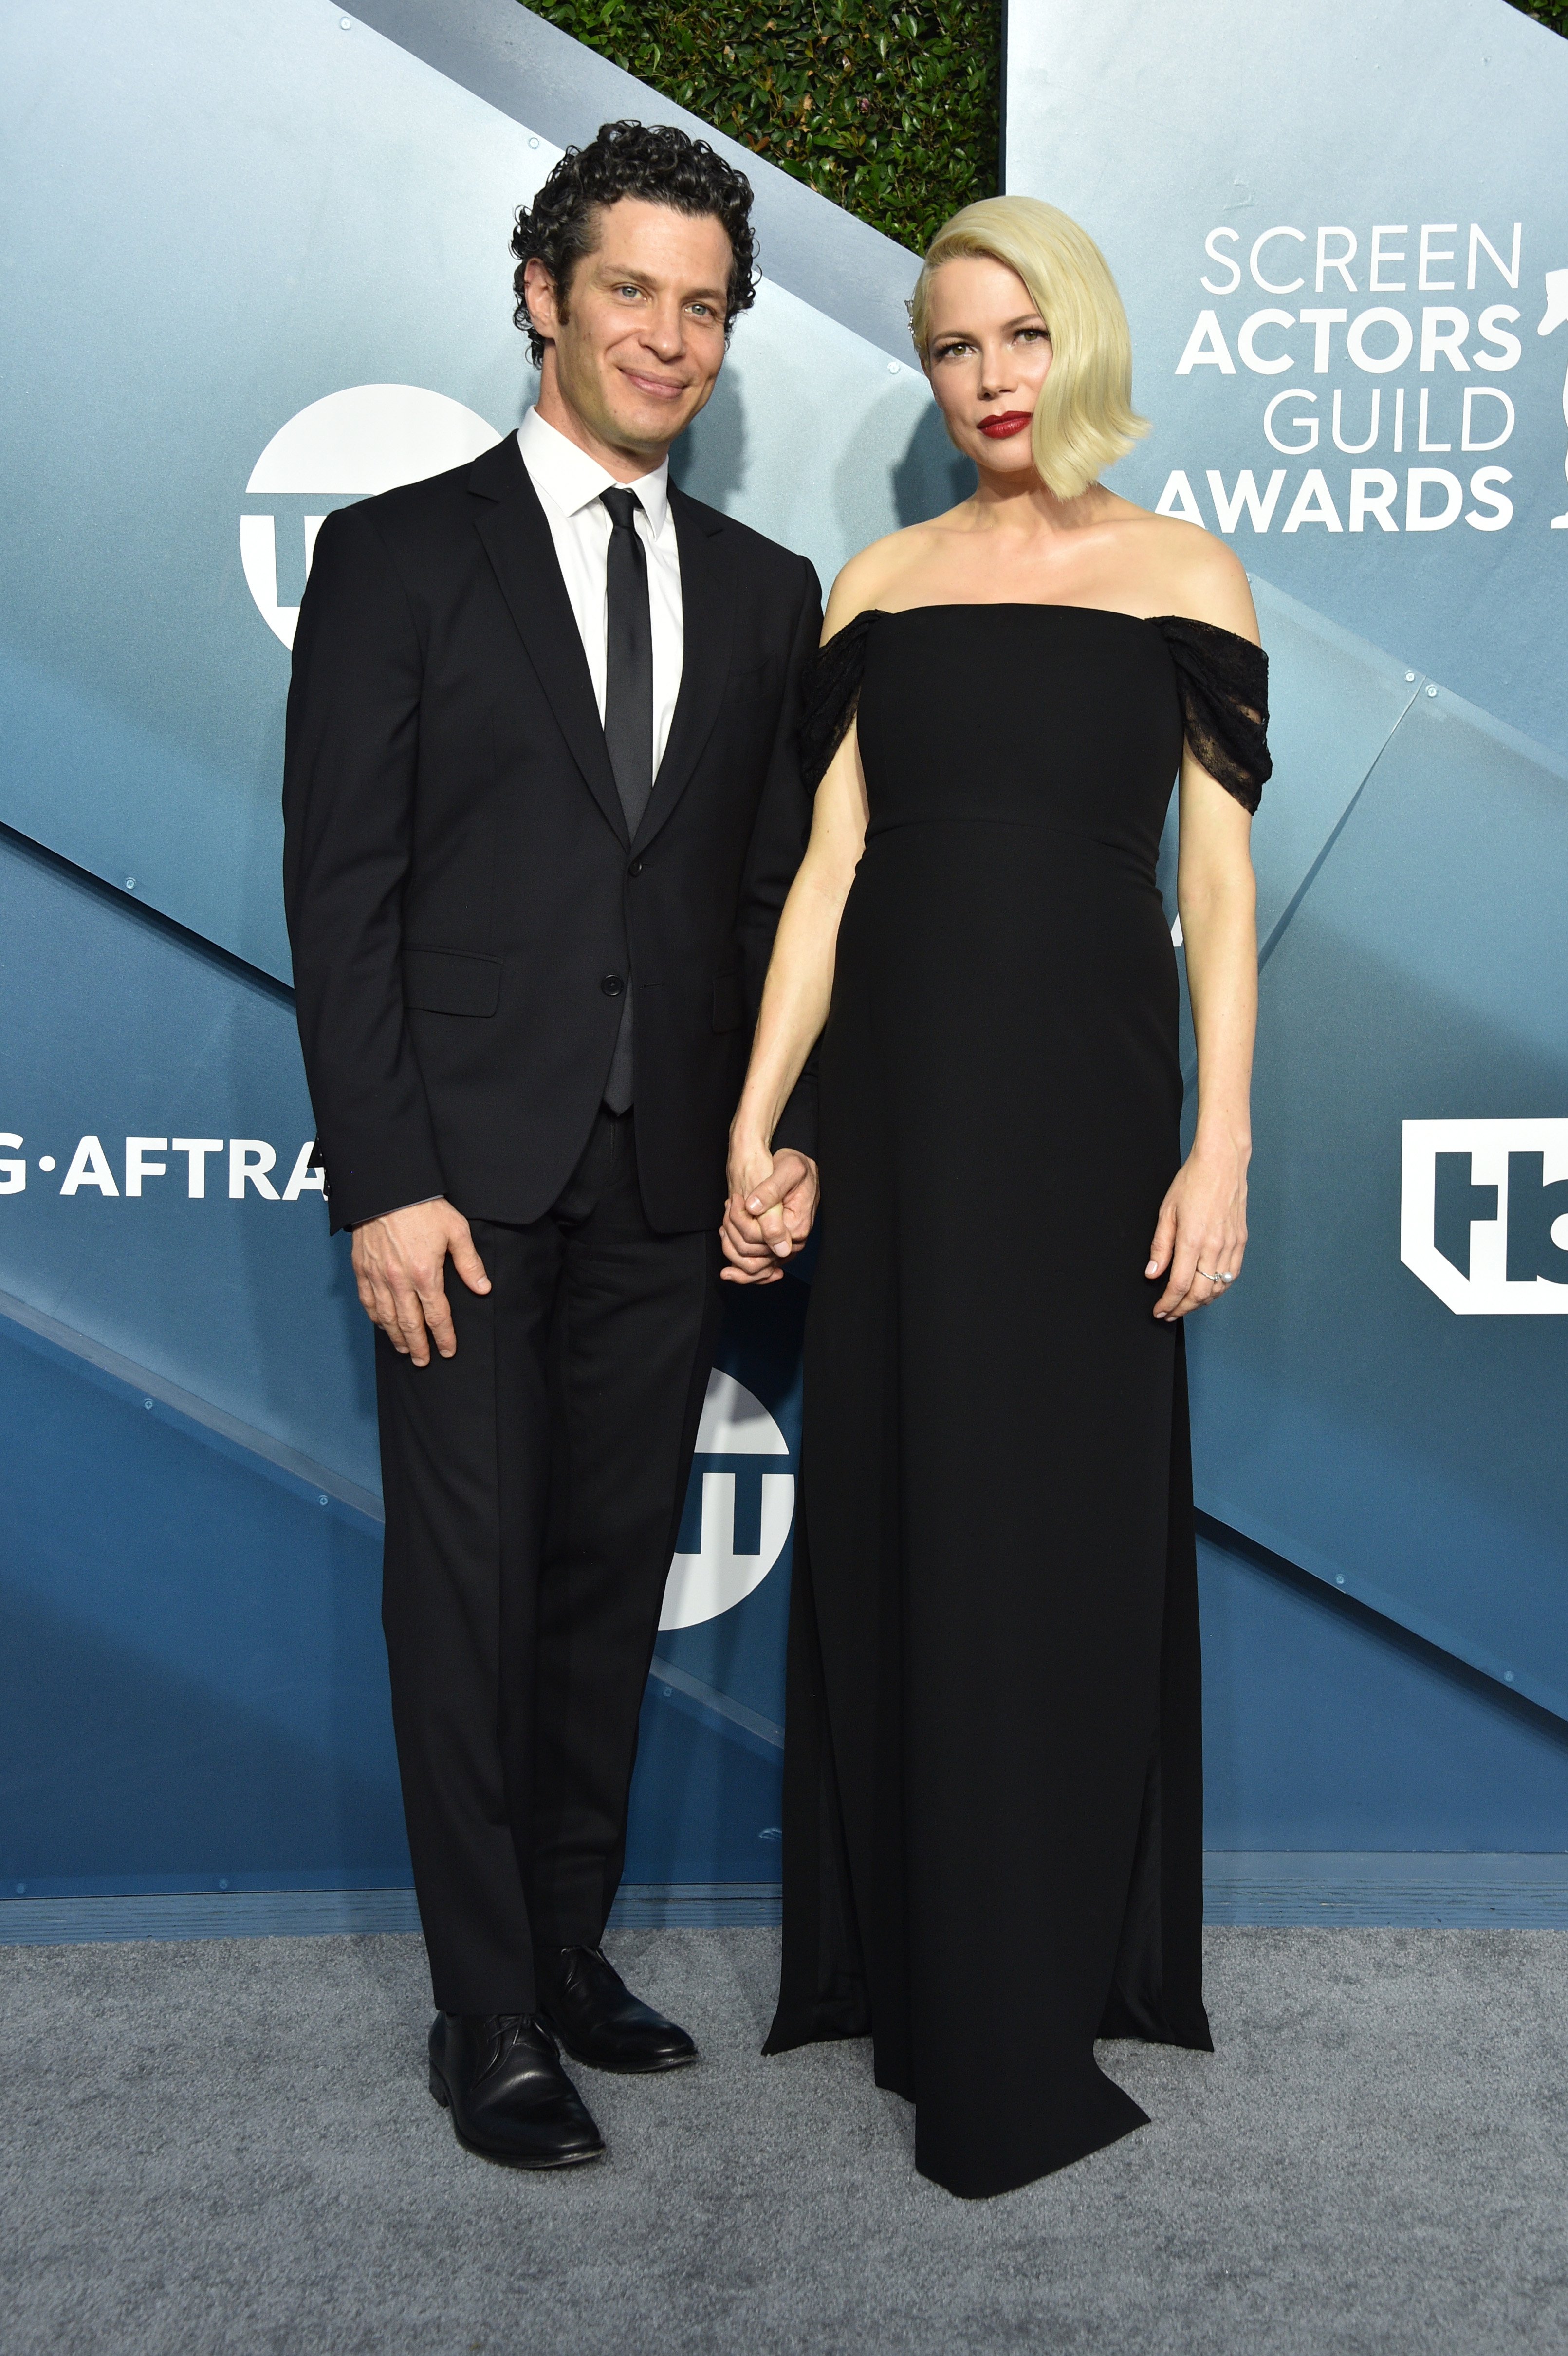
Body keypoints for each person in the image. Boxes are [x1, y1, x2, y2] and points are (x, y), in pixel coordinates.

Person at [282, 121, 821, 2172]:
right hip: (462, 1185)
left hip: (666, 1179)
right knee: (469, 1588)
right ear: (541, 293)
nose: (664, 336)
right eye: (628, 291)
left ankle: (573, 1948)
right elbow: (343, 897)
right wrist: (383, 1175)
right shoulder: (399, 556)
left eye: (701, 306)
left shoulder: (766, 597)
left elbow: (773, 904)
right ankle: (484, 2008)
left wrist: (779, 1141)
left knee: (606, 1579)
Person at [720, 194, 1270, 2198]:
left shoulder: (1182, 574)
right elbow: (826, 880)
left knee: (1054, 1521)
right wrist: (756, 1117)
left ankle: (1039, 1969)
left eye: (1017, 338)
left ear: (1079, 342)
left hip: (1095, 1114)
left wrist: (1218, 1143)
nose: (987, 382)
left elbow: (1211, 893)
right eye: (951, 350)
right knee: (913, 1503)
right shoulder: (878, 583)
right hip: (901, 1112)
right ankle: (918, 1958)